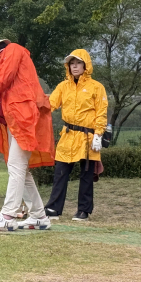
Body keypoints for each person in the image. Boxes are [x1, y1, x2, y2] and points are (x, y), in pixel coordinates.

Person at [0, 34, 55, 231]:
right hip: (16, 119)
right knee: (20, 170)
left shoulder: (13, 50)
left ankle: (8, 216)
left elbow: (1, 83)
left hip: (25, 117)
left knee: (16, 166)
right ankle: (39, 216)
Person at [44, 49, 107, 221]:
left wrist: (98, 134)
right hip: (68, 134)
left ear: (86, 65)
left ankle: (83, 211)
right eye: (72, 63)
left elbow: (101, 112)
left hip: (88, 136)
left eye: (78, 63)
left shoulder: (96, 87)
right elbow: (49, 105)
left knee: (86, 175)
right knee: (60, 173)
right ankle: (53, 209)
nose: (75, 66)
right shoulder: (63, 86)